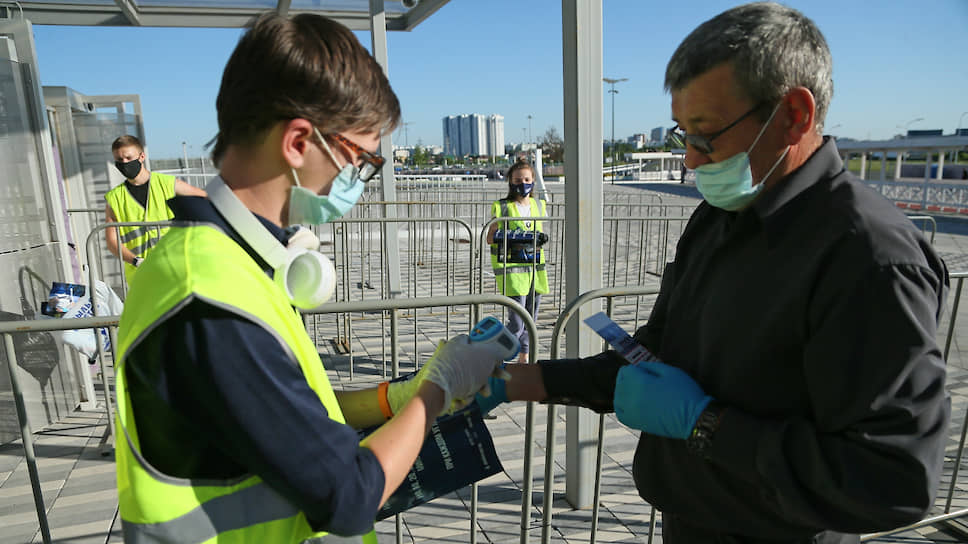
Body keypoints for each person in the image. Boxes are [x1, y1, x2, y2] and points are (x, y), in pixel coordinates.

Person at [477, 3, 950, 542]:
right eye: (684, 137)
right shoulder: (719, 218)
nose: (693, 163)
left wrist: (704, 424)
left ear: (794, 114)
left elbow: (893, 480)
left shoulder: (869, 258)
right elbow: (656, 356)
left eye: (706, 136)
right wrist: (514, 382)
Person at [113, 13, 504, 544]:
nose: (359, 181)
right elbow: (348, 495)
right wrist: (437, 389)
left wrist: (402, 396)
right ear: (298, 142)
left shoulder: (230, 264)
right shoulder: (207, 299)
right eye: (361, 160)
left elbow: (296, 416)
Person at [105, 135, 206, 281]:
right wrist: (136, 261)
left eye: (128, 157)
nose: (124, 163)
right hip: (141, 275)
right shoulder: (114, 198)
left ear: (142, 156)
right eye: (119, 160)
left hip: (176, 268)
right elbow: (112, 242)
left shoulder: (167, 183)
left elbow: (204, 197)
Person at [486, 160, 549, 363]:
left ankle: (524, 356)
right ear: (510, 183)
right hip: (513, 271)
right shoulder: (502, 207)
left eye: (527, 179)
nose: (523, 183)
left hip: (535, 270)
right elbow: (490, 238)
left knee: (531, 318)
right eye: (517, 180)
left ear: (533, 181)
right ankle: (495, 356)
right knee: (517, 323)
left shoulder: (539, 205)